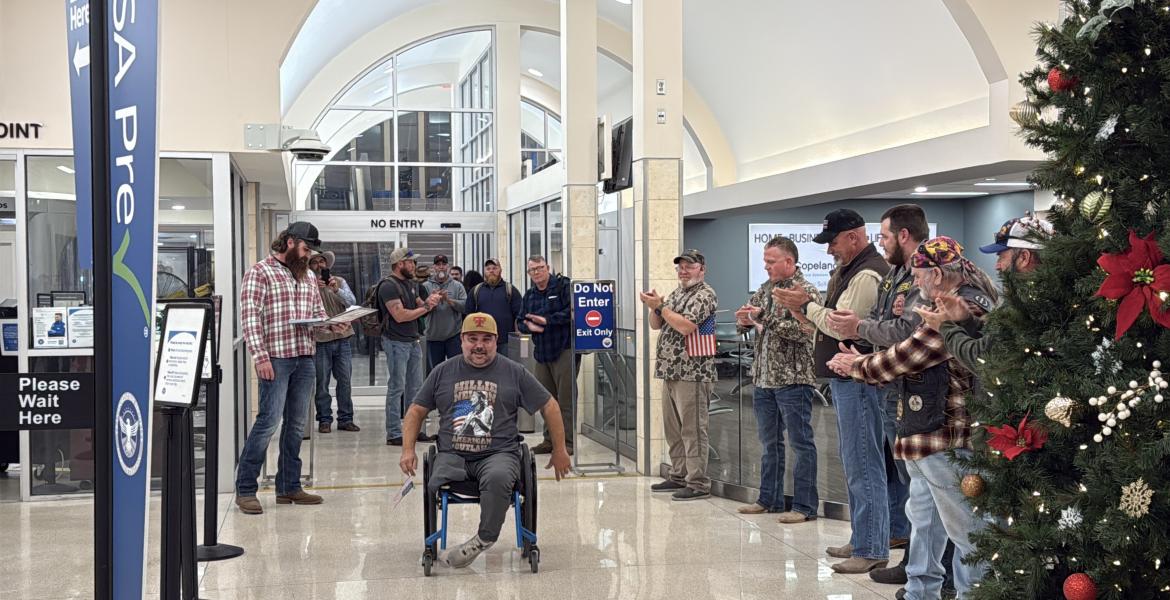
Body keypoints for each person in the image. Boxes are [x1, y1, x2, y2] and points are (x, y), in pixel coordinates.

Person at [828, 236, 999, 600]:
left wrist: (856, 364)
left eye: (919, 276)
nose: (916, 283)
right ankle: (920, 590)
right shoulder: (952, 301)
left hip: (944, 435)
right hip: (926, 434)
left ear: (937, 274)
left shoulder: (961, 307)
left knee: (966, 530)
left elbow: (908, 355)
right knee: (924, 520)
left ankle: (972, 593)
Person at [399, 313, 572, 568]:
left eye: (486, 339)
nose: (479, 345)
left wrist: (560, 450)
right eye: (472, 339)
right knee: (436, 479)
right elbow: (415, 411)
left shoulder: (514, 372)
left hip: (498, 454)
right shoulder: (443, 372)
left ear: (496, 340)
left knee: (498, 477)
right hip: (452, 455)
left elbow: (550, 406)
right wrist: (407, 449)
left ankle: (483, 539)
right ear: (462, 340)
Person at [773, 208, 891, 574]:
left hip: (860, 380)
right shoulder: (849, 270)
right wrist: (805, 314)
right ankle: (863, 538)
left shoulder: (867, 273)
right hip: (846, 379)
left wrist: (806, 306)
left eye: (834, 242)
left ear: (854, 237)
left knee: (863, 464)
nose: (829, 250)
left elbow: (842, 327)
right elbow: (829, 325)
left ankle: (871, 547)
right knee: (854, 462)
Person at [825, 205, 926, 583]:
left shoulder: (913, 274)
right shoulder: (896, 274)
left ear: (903, 235)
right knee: (904, 477)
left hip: (911, 391)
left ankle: (891, 554)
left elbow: (905, 332)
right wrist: (865, 341)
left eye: (884, 236)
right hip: (888, 386)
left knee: (901, 478)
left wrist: (859, 330)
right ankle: (908, 558)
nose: (880, 243)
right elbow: (887, 323)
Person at [236, 222, 342, 514]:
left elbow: (317, 315)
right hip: (276, 358)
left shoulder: (307, 276)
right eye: (306, 249)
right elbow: (250, 318)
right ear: (291, 242)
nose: (309, 256)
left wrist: (332, 325)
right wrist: (260, 357)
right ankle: (245, 489)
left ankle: (289, 486)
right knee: (268, 422)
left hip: (305, 357)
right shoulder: (260, 272)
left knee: (296, 425)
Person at [734, 236, 821, 522]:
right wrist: (744, 320)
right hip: (763, 379)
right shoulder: (765, 289)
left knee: (801, 444)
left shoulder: (806, 292)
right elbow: (749, 316)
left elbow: (805, 332)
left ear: (789, 261)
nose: (766, 266)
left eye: (771, 261)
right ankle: (768, 499)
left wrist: (763, 318)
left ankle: (804, 507)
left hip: (793, 380)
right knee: (769, 444)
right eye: (765, 261)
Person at [917, 216, 1051, 371]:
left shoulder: (1029, 303)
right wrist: (967, 320)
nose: (997, 266)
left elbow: (983, 358)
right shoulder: (1026, 296)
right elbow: (995, 340)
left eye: (1001, 257)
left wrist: (945, 327)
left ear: (1024, 257)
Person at [639, 249, 719, 502]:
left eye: (689, 266)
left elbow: (685, 327)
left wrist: (661, 307)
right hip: (670, 370)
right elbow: (656, 324)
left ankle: (697, 482)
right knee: (673, 429)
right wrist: (654, 307)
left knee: (693, 430)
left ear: (702, 270)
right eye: (680, 267)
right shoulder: (677, 293)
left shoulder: (705, 294)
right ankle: (679, 474)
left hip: (693, 372)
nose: (684, 271)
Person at [378, 247, 442, 446]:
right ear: (400, 264)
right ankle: (394, 433)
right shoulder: (388, 286)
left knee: (416, 388)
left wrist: (430, 302)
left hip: (413, 341)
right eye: (411, 262)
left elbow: (420, 306)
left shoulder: (411, 284)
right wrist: (426, 307)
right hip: (396, 342)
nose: (414, 266)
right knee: (397, 387)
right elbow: (400, 315)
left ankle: (416, 430)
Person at [517, 256, 576, 455]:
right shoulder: (529, 295)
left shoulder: (562, 286)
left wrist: (546, 320)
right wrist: (529, 326)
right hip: (542, 354)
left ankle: (567, 443)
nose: (536, 273)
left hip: (564, 350)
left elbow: (572, 312)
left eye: (539, 268)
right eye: (532, 270)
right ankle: (549, 440)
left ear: (547, 267)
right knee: (545, 400)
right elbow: (520, 321)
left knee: (566, 400)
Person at [309, 251, 358, 433]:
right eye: (315, 262)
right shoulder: (307, 285)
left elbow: (352, 302)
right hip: (321, 340)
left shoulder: (339, 281)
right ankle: (324, 419)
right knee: (322, 383)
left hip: (343, 338)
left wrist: (336, 289)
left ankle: (346, 419)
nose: (319, 265)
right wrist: (315, 288)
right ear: (309, 266)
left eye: (322, 261)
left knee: (345, 381)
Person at [464, 258, 523, 358]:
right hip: (483, 341)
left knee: (506, 367)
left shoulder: (510, 290)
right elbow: (468, 316)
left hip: (506, 342)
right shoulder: (476, 291)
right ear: (484, 271)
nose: (491, 271)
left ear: (500, 270)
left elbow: (519, 315)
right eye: (488, 269)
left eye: (495, 268)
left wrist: (518, 337)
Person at [421, 254, 467, 370]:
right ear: (434, 267)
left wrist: (449, 300)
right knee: (435, 370)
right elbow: (421, 311)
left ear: (448, 267)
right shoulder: (425, 286)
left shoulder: (458, 286)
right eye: (438, 265)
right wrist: (431, 302)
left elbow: (465, 307)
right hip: (433, 337)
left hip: (453, 336)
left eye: (443, 264)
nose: (441, 267)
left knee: (456, 369)